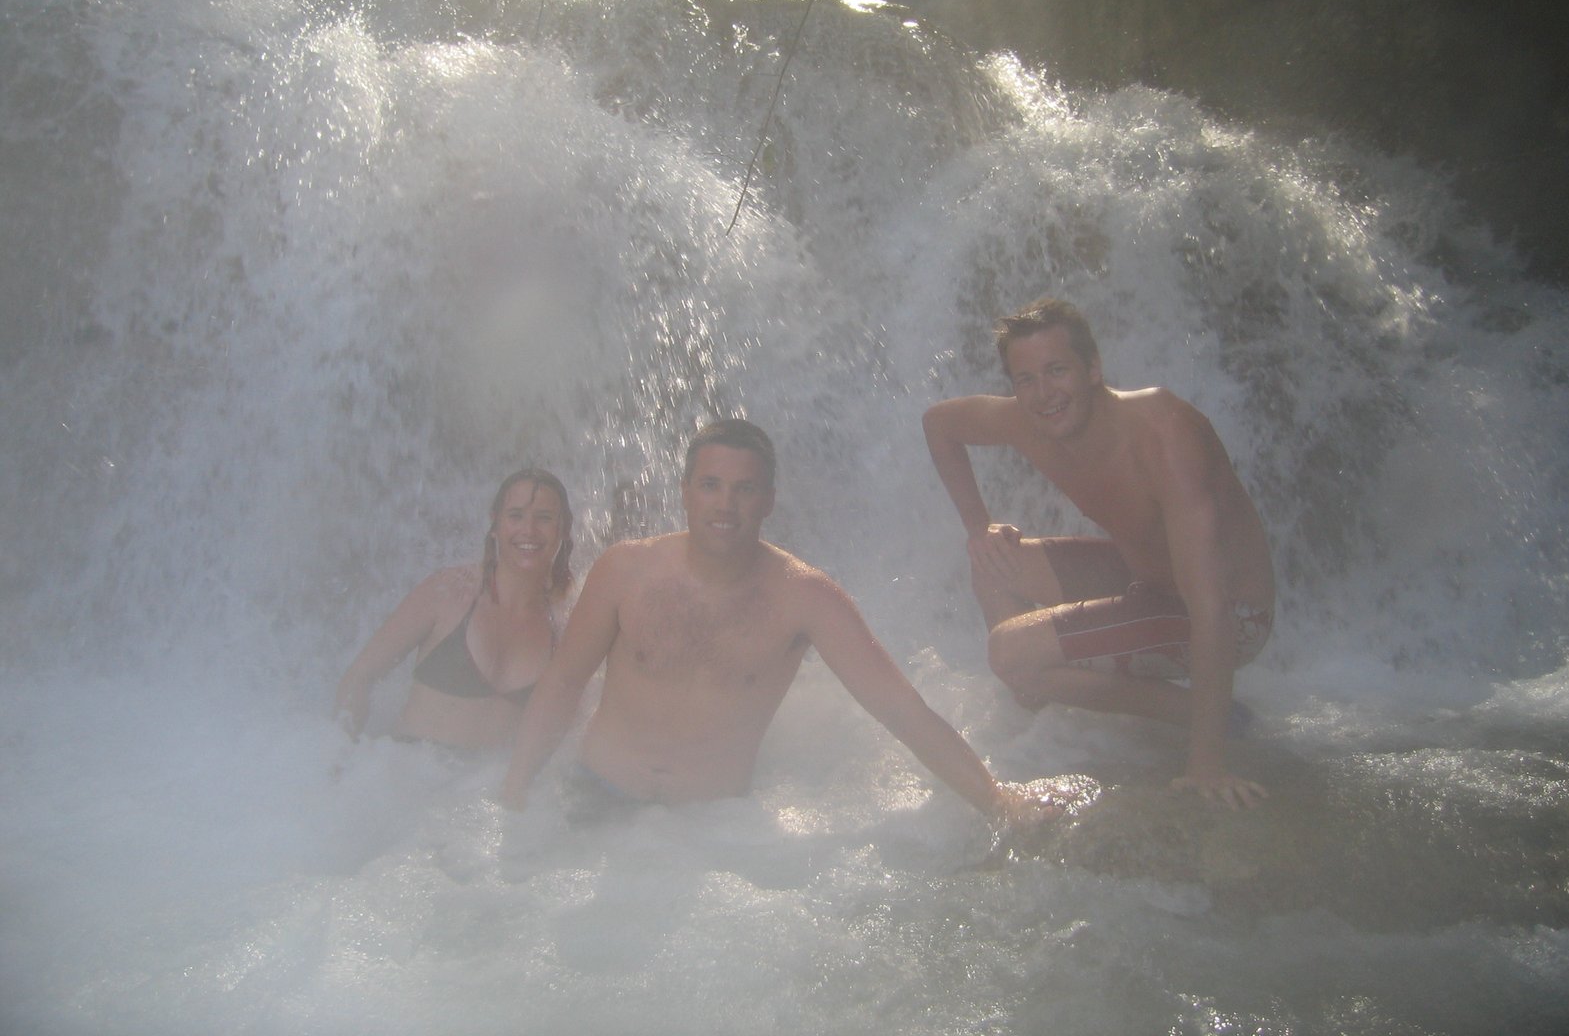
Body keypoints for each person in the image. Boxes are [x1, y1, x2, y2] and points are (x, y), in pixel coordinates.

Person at [500, 420, 1052, 824]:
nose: (725, 505)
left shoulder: (806, 597)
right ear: (686, 492)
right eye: (711, 485)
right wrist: (516, 790)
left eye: (744, 489)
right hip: (594, 797)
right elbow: (563, 682)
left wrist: (996, 800)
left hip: (710, 833)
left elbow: (901, 710)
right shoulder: (624, 569)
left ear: (768, 500)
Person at [922, 299, 1276, 809]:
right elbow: (939, 424)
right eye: (1026, 379)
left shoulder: (1163, 433)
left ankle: (1203, 713)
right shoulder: (1026, 420)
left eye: (1057, 370)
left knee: (1008, 651)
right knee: (994, 565)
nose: (1044, 394)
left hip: (1232, 612)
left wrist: (1206, 765)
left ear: (1093, 368)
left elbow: (1210, 604)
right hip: (1147, 579)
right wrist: (979, 527)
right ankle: (1035, 688)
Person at [335, 469, 575, 749]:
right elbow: (361, 675)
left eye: (544, 518)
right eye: (515, 515)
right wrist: (340, 758)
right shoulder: (447, 592)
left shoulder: (565, 624)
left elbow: (564, 734)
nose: (529, 530)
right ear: (495, 524)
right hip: (404, 768)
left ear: (563, 529)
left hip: (485, 777)